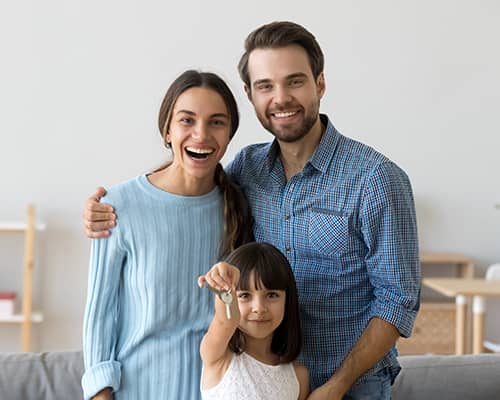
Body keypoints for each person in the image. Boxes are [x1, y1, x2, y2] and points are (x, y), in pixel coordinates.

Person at [83, 21, 420, 399]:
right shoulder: (248, 170)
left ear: (320, 84)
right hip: (267, 380)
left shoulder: (377, 179)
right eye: (265, 86)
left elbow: (398, 300)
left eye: (294, 81)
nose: (281, 98)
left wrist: (337, 386)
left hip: (350, 385)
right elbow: (189, 177)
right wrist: (115, 204)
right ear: (250, 94)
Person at [81, 70, 253, 400]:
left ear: (230, 134)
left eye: (217, 122)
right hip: (135, 391)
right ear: (167, 130)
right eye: (187, 120)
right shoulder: (118, 206)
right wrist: (100, 394)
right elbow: (99, 315)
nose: (200, 134)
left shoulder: (240, 206)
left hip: (218, 391)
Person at [197, 242, 309, 400]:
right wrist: (225, 282)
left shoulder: (299, 377)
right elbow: (225, 321)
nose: (259, 308)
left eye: (271, 295)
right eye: (244, 295)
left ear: (287, 300)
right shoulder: (218, 355)